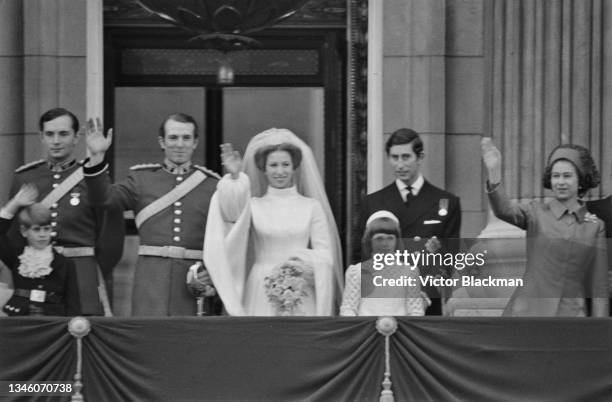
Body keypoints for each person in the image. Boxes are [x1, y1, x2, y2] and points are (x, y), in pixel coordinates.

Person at [83, 113, 220, 316]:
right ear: (162, 142)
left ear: (195, 142)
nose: (180, 144)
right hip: (151, 280)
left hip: (193, 281)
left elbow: (224, 238)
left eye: (186, 138)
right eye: (173, 138)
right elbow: (105, 200)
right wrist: (96, 158)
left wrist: (214, 274)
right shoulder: (141, 179)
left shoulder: (212, 185)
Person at [203, 128, 343, 316]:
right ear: (264, 168)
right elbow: (230, 214)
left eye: (285, 165)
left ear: (294, 167)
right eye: (273, 165)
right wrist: (235, 178)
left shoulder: (311, 206)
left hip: (301, 288)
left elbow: (325, 254)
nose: (280, 171)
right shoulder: (253, 205)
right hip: (261, 286)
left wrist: (299, 266)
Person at [8, 108, 123, 316]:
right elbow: (14, 236)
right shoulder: (24, 178)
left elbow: (110, 234)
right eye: (50, 134)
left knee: (82, 335)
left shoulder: (91, 177)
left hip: (82, 274)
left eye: (63, 134)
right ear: (41, 137)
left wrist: (95, 271)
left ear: (76, 137)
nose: (56, 140)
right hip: (37, 276)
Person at [481, 139, 608, 317]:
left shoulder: (595, 226)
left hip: (571, 316)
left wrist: (600, 330)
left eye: (567, 176)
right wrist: (494, 173)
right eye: (555, 176)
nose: (560, 182)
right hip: (528, 312)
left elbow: (598, 286)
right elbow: (504, 211)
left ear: (581, 181)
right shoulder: (536, 212)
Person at [360, 128, 461, 315]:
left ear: (420, 157)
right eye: (394, 157)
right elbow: (364, 257)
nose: (399, 165)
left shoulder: (446, 202)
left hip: (426, 302)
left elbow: (449, 260)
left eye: (406, 157)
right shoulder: (372, 203)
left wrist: (425, 295)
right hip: (382, 302)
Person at [0, 183, 81, 316]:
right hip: (19, 318)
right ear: (24, 231)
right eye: (36, 229)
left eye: (46, 229)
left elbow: (73, 305)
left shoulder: (65, 264)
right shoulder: (17, 257)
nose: (42, 234)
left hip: (51, 321)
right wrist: (14, 204)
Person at [340, 210, 428, 316]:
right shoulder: (356, 272)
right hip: (366, 331)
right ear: (370, 241)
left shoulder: (409, 272)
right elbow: (348, 308)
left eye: (390, 238)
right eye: (379, 238)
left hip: (400, 330)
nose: (385, 243)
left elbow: (415, 310)